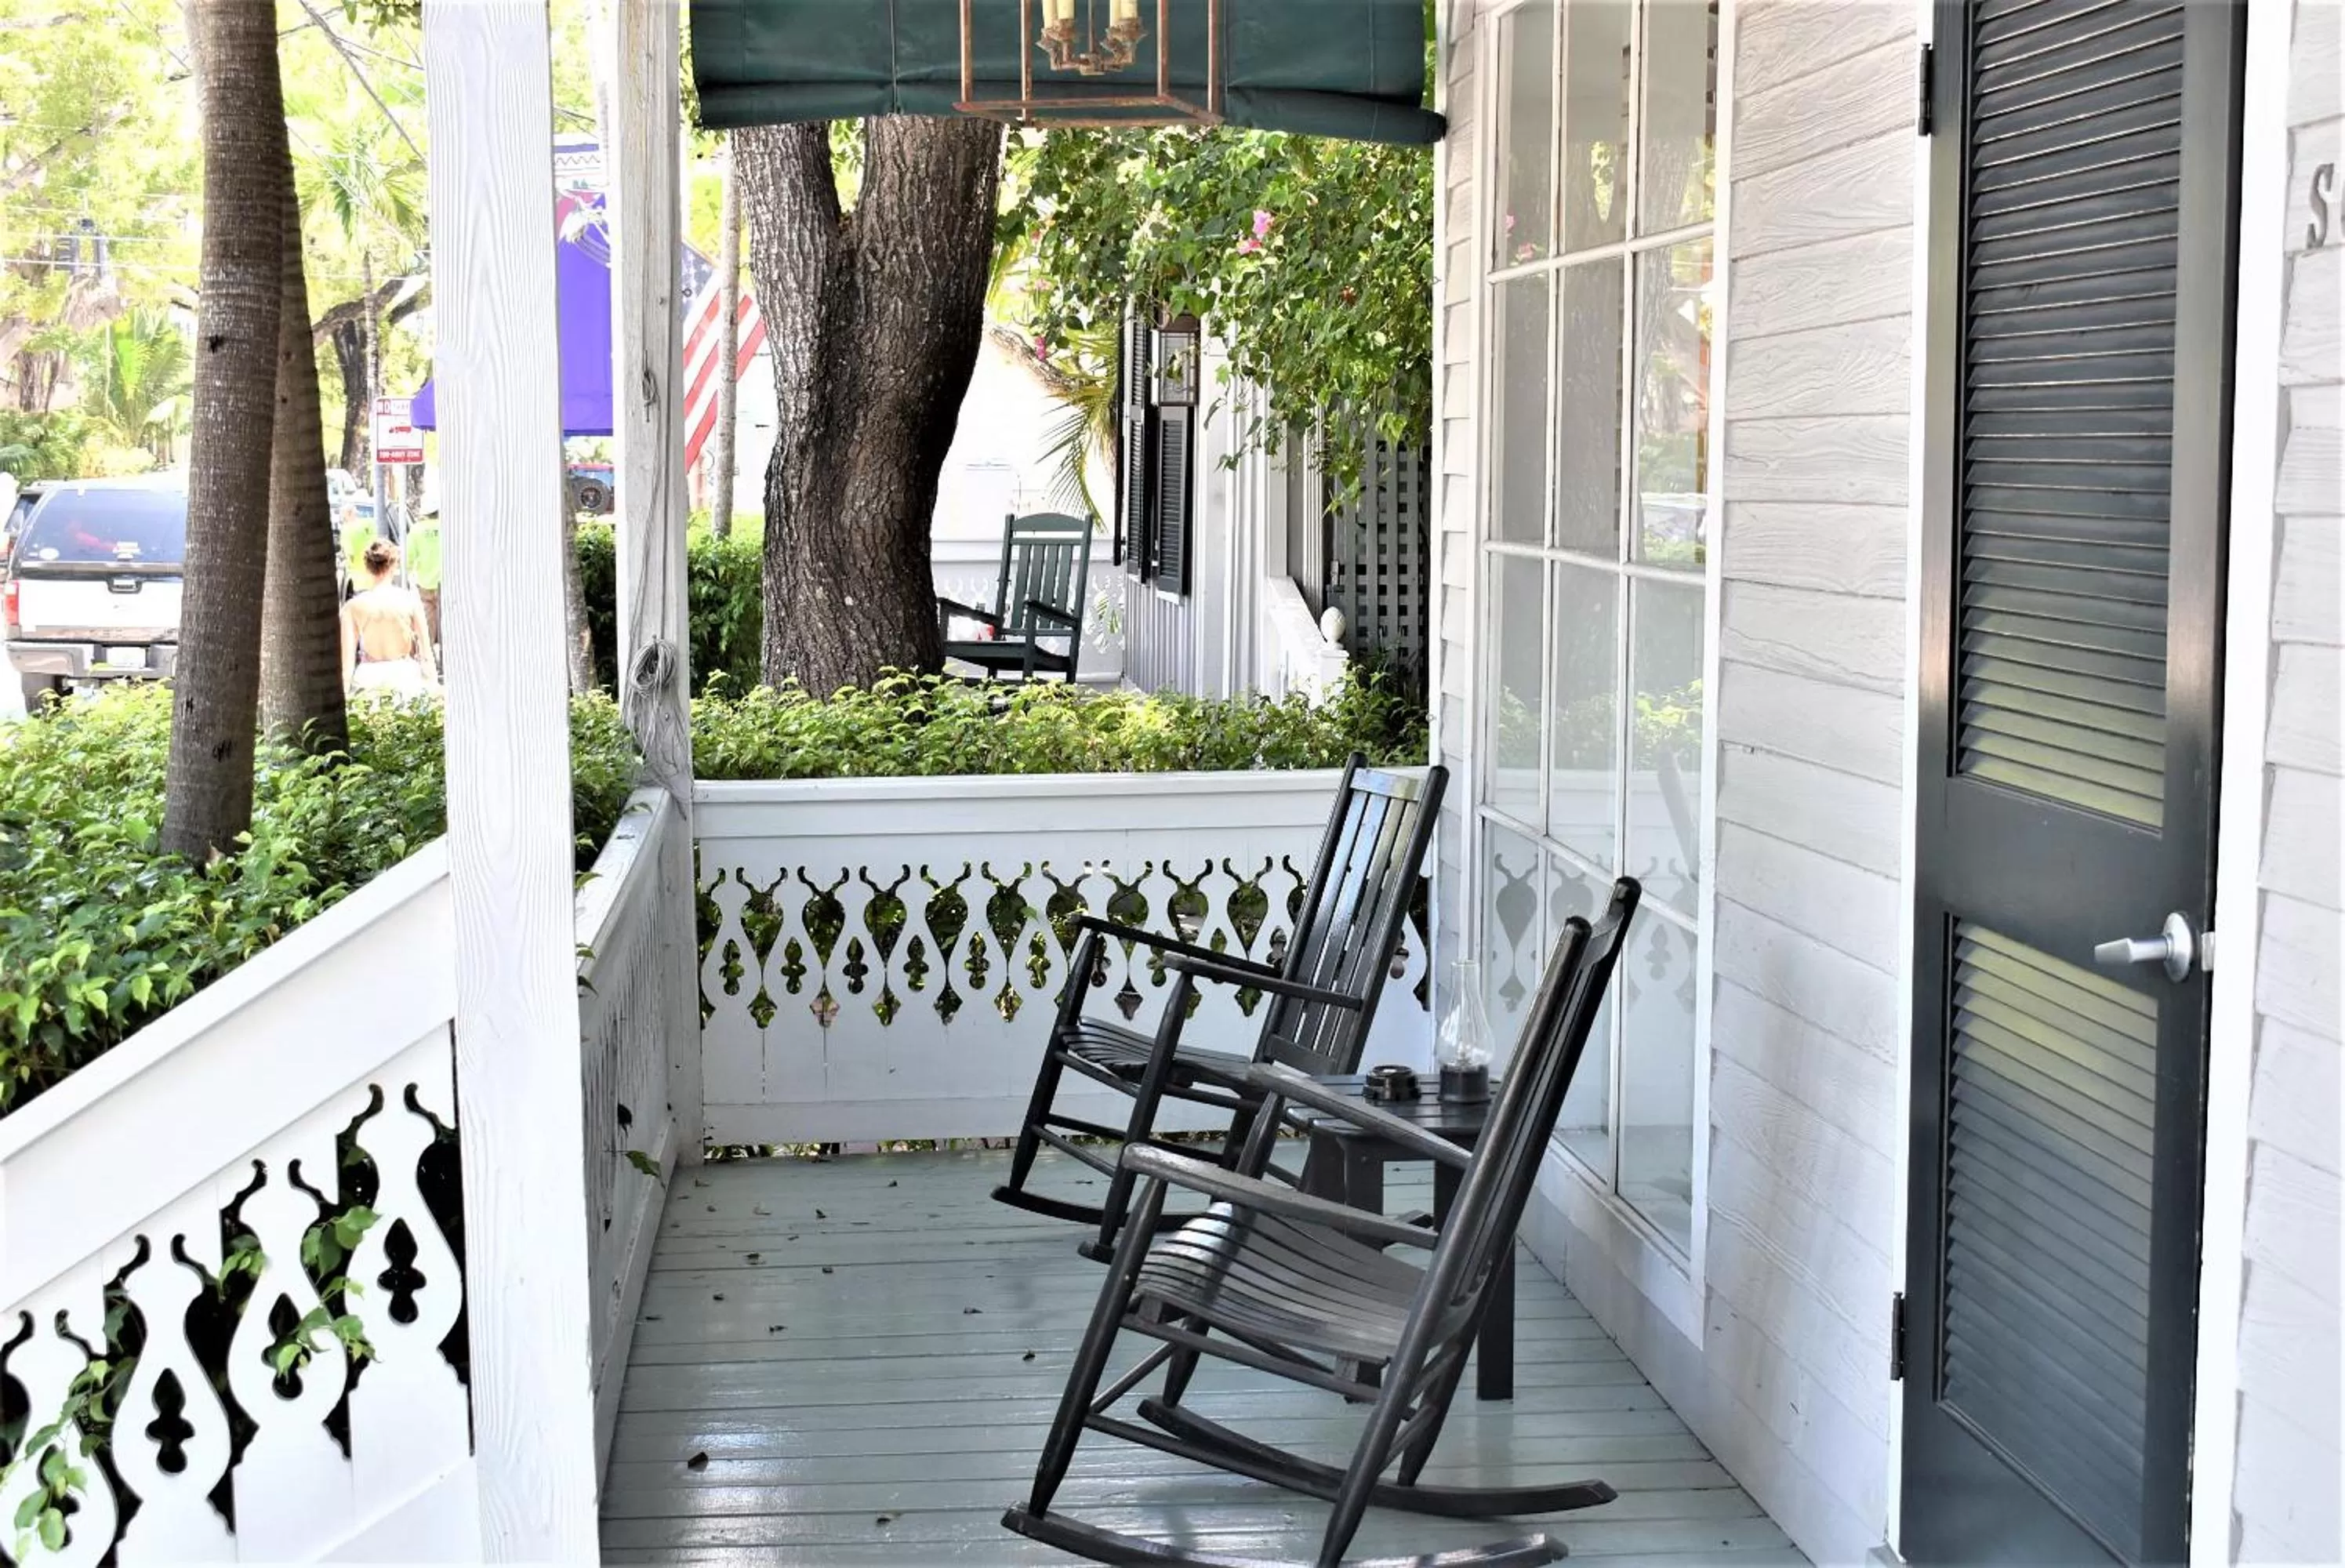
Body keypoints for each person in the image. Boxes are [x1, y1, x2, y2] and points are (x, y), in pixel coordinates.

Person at [340, 539, 439, 698]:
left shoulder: (352, 607)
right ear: (394, 566)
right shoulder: (410, 601)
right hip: (405, 676)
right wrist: (433, 687)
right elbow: (426, 652)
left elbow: (347, 660)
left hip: (369, 678)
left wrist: (345, 692)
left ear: (367, 568)